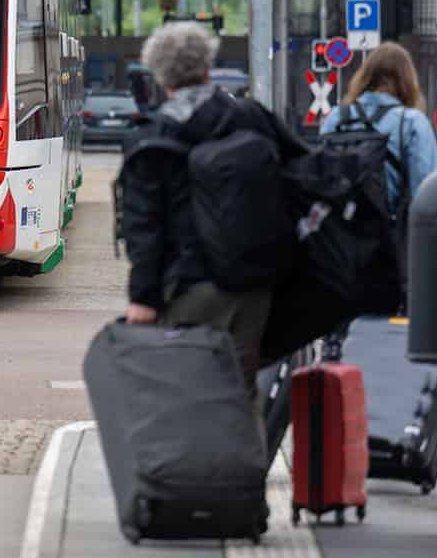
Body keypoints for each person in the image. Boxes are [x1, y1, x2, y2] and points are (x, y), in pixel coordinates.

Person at [119, 22, 307, 440]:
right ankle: (243, 489)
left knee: (185, 392)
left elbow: (145, 225)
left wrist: (143, 298)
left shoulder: (155, 133)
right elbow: (300, 175)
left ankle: (192, 489)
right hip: (255, 284)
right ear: (208, 68)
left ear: (160, 76)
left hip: (189, 288)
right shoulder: (251, 116)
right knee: (239, 391)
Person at [320, 42, 437, 220]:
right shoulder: (411, 122)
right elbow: (425, 194)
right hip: (391, 236)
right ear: (408, 80)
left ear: (364, 77)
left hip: (341, 236)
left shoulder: (336, 118)